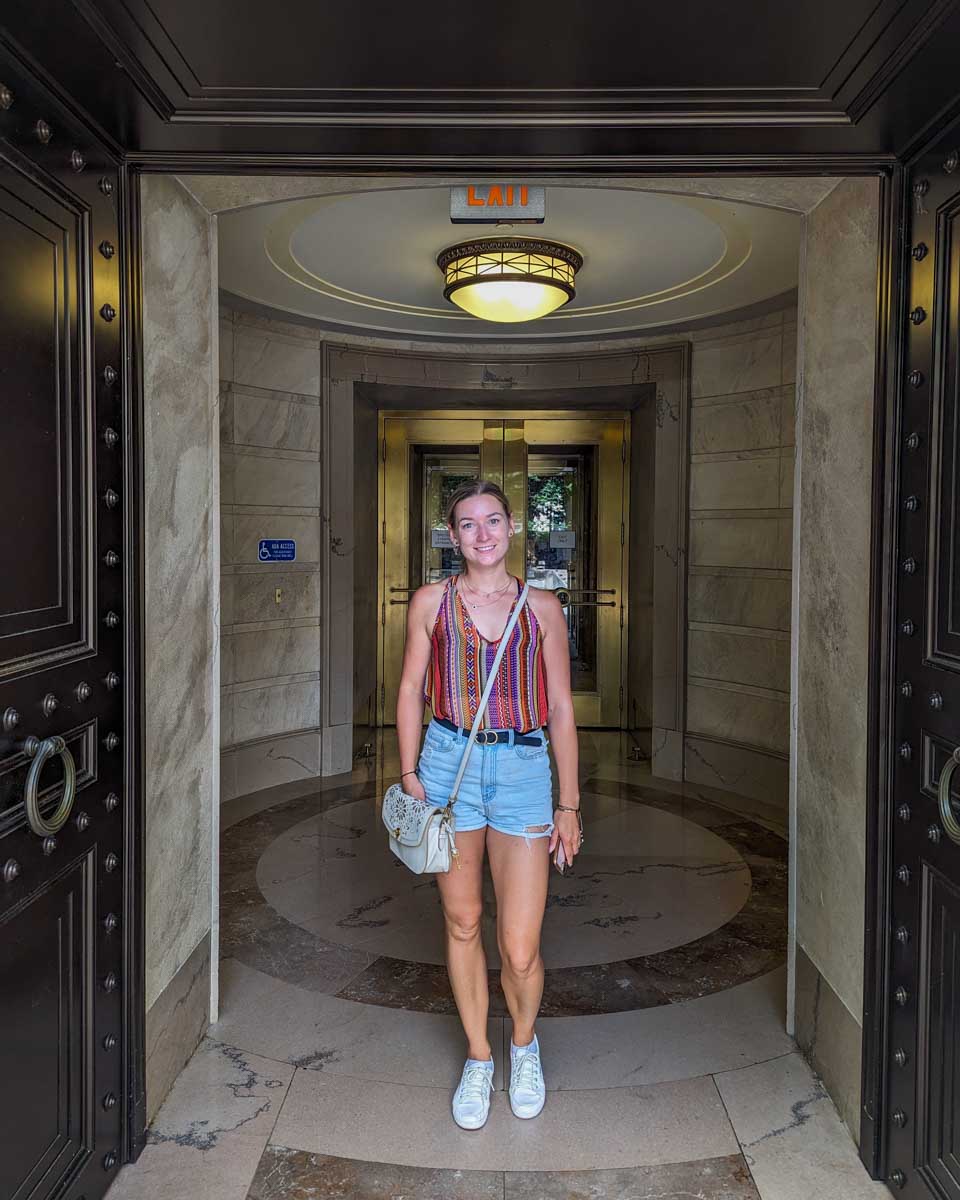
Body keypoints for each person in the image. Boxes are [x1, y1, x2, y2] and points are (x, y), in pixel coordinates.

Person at [395, 479, 582, 1129]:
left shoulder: (543, 608)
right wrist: (410, 770)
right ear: (453, 536)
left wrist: (570, 805)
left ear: (512, 528)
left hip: (526, 768)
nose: (482, 534)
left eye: (493, 521)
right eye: (468, 524)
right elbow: (412, 686)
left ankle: (523, 1045)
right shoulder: (430, 602)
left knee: (521, 945)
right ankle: (479, 1057)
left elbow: (560, 708)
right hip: (449, 766)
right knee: (463, 922)